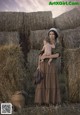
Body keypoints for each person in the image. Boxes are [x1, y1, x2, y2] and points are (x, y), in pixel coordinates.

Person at [34, 28, 62, 106]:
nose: (51, 35)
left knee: (51, 82)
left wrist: (46, 57)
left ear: (56, 35)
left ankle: (51, 101)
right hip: (43, 65)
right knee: (42, 83)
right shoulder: (45, 43)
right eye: (50, 34)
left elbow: (57, 55)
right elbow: (40, 55)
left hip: (51, 65)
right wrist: (38, 65)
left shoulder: (57, 44)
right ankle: (42, 101)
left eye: (53, 34)